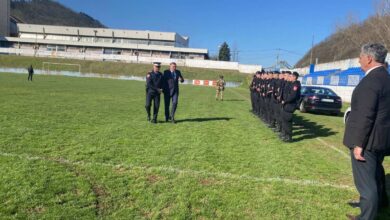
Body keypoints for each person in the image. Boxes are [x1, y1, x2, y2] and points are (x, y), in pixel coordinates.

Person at [344, 43, 390, 220]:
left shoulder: (370, 81)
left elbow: (365, 115)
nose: (359, 59)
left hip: (369, 140)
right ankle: (381, 205)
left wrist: (358, 144)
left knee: (366, 183)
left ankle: (367, 217)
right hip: (381, 139)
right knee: (376, 174)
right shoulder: (386, 78)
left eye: (361, 56)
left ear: (369, 58)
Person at [280, 71, 301, 142]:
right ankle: (285, 135)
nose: (289, 77)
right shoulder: (291, 83)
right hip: (286, 103)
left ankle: (289, 137)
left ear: (294, 77)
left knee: (288, 121)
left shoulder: (295, 85)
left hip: (290, 104)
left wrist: (285, 100)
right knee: (285, 120)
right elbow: (285, 93)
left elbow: (292, 96)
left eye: (291, 76)